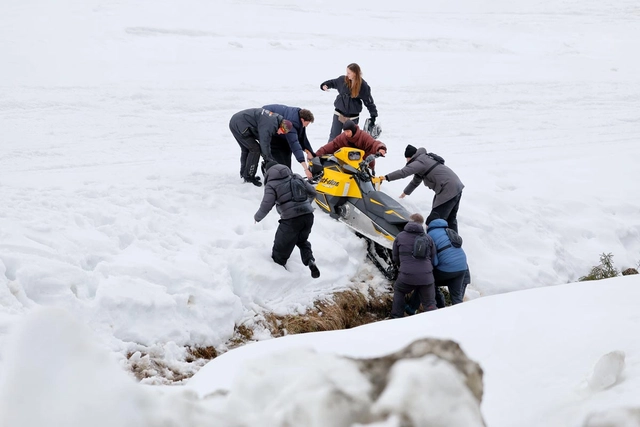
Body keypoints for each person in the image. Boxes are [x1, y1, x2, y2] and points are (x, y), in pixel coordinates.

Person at [254, 161, 320, 278]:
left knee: (280, 250)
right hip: (308, 217)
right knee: (302, 241)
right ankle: (310, 260)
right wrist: (305, 205)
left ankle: (280, 278)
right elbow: (313, 192)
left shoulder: (272, 184)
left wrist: (257, 217)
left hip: (291, 220)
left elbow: (266, 204)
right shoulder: (296, 177)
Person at [379, 144, 464, 232]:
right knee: (450, 218)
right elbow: (415, 182)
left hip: (447, 188)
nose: (406, 161)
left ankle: (433, 242)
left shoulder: (419, 162)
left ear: (410, 157)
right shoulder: (425, 159)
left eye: (406, 158)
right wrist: (404, 194)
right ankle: (454, 242)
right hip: (456, 186)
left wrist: (385, 177)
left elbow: (403, 172)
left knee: (434, 220)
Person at [408, 213, 469, 311]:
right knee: (456, 298)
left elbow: (435, 261)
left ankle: (411, 308)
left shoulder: (430, 235)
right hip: (462, 267)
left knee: (425, 281)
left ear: (429, 225)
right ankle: (458, 318)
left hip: (447, 268)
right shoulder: (449, 231)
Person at [389, 213, 438, 318]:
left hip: (407, 275)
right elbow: (433, 258)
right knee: (430, 303)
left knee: (399, 290)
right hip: (426, 277)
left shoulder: (400, 237)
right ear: (421, 224)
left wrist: (402, 267)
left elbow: (395, 258)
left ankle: (396, 316)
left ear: (409, 221)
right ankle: (434, 321)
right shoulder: (428, 238)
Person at [229, 108, 293, 187]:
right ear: (281, 127)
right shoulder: (270, 125)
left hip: (236, 121)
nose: (280, 133)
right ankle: (249, 176)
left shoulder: (274, 119)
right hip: (240, 124)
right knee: (255, 149)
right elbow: (264, 142)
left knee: (246, 149)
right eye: (282, 132)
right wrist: (268, 159)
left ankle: (244, 173)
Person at [321, 63, 378, 142]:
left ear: (355, 73)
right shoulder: (342, 80)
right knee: (334, 136)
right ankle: (329, 153)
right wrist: (325, 85)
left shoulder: (363, 85)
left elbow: (369, 102)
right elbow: (333, 82)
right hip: (339, 114)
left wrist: (373, 116)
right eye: (346, 72)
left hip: (353, 117)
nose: (347, 75)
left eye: (349, 73)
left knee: (351, 139)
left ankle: (350, 154)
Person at [262, 104, 316, 179]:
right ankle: (269, 169)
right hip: (270, 128)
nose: (306, 126)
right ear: (302, 120)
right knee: (278, 154)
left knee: (287, 151)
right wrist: (305, 169)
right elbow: (295, 145)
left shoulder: (299, 116)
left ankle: (286, 171)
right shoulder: (292, 124)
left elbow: (301, 137)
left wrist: (308, 151)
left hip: (282, 129)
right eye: (307, 124)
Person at [314, 120, 387, 173]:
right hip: (349, 165)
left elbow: (374, 143)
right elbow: (331, 145)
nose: (346, 134)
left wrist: (381, 148)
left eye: (348, 131)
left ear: (353, 130)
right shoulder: (343, 137)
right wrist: (316, 155)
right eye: (345, 131)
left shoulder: (363, 136)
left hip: (365, 164)